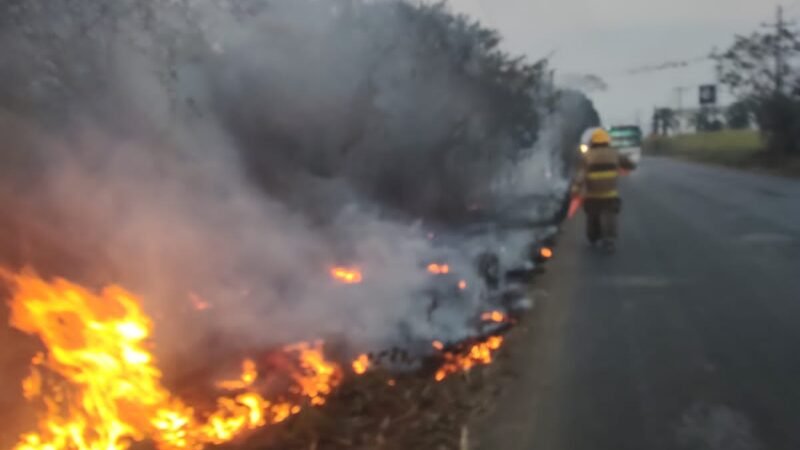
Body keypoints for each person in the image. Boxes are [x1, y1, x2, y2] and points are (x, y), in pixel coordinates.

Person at [572, 128, 622, 251]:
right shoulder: (614, 153)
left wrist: (575, 189)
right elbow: (627, 162)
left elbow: (581, 175)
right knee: (610, 217)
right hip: (610, 194)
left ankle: (593, 238)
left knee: (592, 217)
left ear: (593, 142)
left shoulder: (588, 155)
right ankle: (609, 240)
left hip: (592, 194)